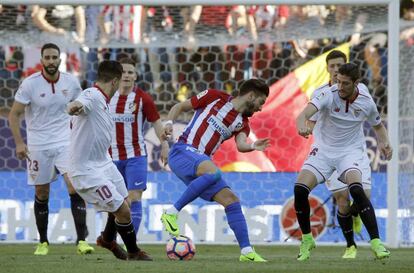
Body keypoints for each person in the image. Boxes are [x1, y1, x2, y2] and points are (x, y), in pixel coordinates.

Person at [161, 79, 270, 262]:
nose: (260, 108)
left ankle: (246, 252)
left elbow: (241, 145)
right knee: (214, 172)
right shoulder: (214, 97)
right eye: (261, 102)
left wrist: (253, 146)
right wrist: (169, 123)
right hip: (182, 152)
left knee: (232, 200)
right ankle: (171, 212)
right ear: (251, 96)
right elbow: (179, 106)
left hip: (200, 165)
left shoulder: (243, 123)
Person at [295, 63, 392, 261]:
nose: (339, 87)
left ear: (356, 83)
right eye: (338, 81)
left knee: (357, 191)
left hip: (349, 152)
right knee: (299, 189)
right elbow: (303, 114)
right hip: (323, 151)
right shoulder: (327, 94)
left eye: (345, 84)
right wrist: (301, 126)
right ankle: (307, 239)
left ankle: (376, 242)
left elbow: (378, 126)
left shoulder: (366, 101)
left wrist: (385, 143)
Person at [8, 43, 94, 255]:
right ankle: (43, 242)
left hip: (66, 142)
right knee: (42, 192)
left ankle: (81, 241)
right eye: (47, 57)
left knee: (74, 186)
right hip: (38, 145)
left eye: (54, 57)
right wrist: (19, 142)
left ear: (59, 59)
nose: (51, 61)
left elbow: (82, 104)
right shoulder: (30, 84)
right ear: (41, 60)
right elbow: (14, 114)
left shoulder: (71, 82)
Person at [66, 60, 152, 261]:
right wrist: (74, 106)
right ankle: (133, 252)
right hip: (86, 171)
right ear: (114, 81)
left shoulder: (103, 99)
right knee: (122, 211)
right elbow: (80, 102)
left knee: (124, 202)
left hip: (103, 163)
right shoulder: (93, 95)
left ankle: (106, 239)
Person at [307, 50, 372, 259]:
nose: (336, 70)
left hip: (353, 151)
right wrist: (306, 127)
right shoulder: (319, 93)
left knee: (364, 198)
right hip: (328, 153)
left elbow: (371, 115)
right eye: (332, 66)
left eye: (339, 66)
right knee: (342, 199)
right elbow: (311, 118)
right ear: (327, 68)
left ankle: (356, 215)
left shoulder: (361, 91)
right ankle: (350, 246)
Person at [109, 57, 169, 237]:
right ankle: (110, 239)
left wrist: (164, 145)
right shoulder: (107, 97)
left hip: (135, 155)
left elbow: (157, 123)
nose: (126, 75)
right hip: (110, 158)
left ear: (135, 76)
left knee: (134, 196)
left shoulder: (143, 98)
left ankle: (131, 242)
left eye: (130, 72)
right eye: (123, 72)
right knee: (116, 203)